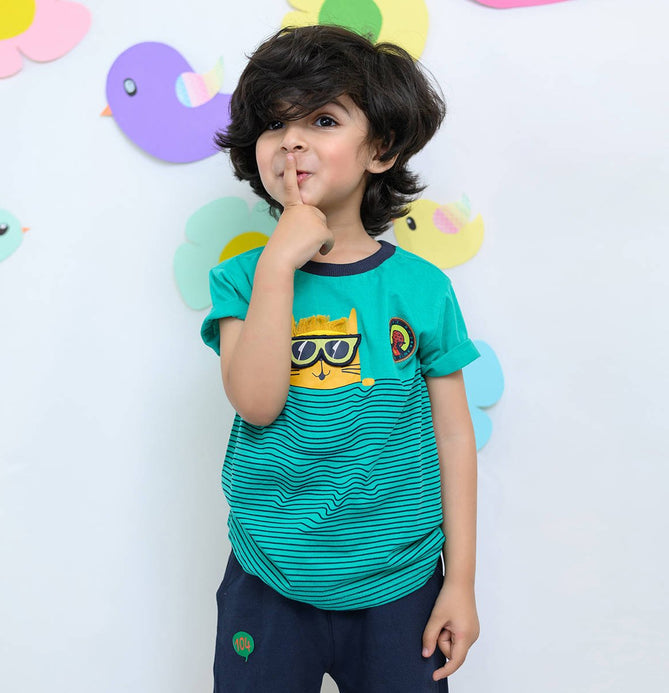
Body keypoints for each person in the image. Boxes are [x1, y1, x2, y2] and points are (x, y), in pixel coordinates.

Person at [201, 24, 480, 692]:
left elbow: (452, 436)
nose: (290, 140)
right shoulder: (242, 279)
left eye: (322, 120)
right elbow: (257, 403)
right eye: (275, 123)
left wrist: (461, 582)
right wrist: (278, 265)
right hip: (268, 576)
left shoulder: (421, 288)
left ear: (380, 149)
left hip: (401, 581)